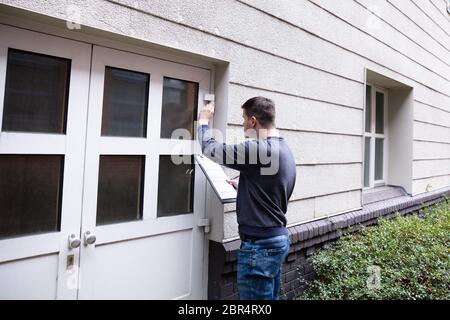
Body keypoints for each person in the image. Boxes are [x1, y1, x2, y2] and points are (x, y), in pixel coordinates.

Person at [197, 96, 296, 300]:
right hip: (276, 239)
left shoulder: (258, 148)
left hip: (260, 247)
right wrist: (244, 185)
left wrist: (204, 121)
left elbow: (211, 150)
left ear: (253, 121)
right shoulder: (283, 148)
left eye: (243, 119)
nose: (242, 124)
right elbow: (274, 185)